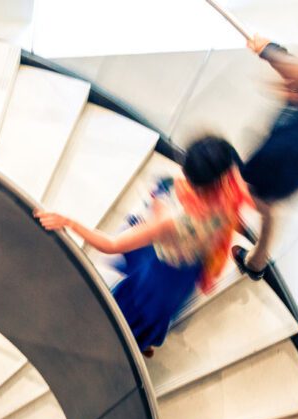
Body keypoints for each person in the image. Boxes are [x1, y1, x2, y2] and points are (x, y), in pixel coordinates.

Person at [35, 136, 253, 355]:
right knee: (156, 314)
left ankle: (125, 346)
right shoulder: (231, 197)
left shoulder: (171, 221)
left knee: (133, 312)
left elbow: (112, 245)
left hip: (160, 274)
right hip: (187, 272)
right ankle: (144, 342)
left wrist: (69, 221)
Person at [233, 34, 298, 280]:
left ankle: (221, 228)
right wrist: (267, 49)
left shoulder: (289, 145)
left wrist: (241, 178)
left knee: (259, 203)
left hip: (284, 176)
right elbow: (289, 65)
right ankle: (256, 263)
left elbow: (254, 170)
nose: (287, 87)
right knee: (267, 213)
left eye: (294, 88)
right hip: (289, 169)